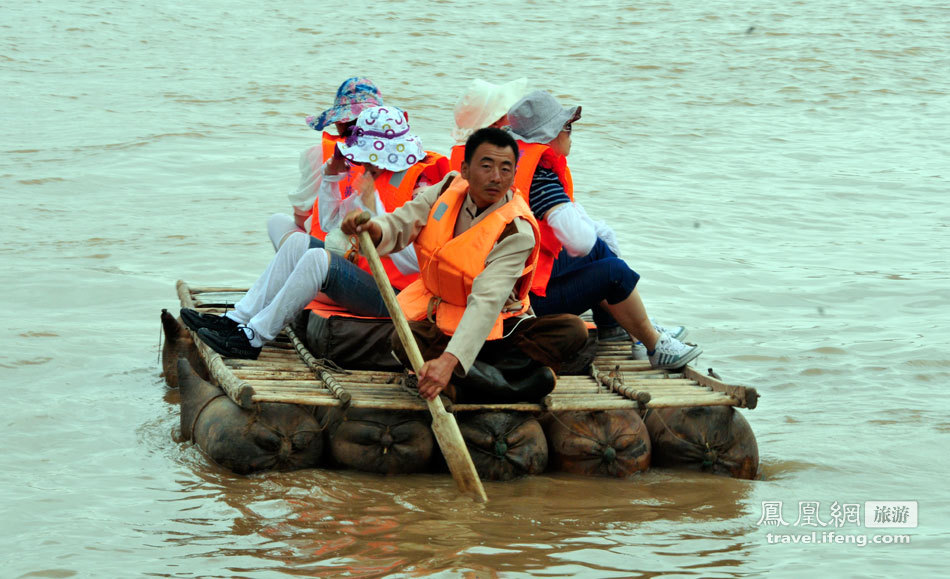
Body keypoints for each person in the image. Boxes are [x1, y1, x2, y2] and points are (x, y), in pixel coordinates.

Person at [342, 127, 590, 404]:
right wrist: (372, 229)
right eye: (486, 166)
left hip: (497, 329)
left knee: (573, 330)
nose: (496, 177)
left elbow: (487, 302)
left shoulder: (517, 230)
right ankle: (508, 385)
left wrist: (449, 361)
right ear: (465, 169)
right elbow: (401, 222)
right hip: (440, 318)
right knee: (404, 340)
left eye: (506, 169)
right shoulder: (447, 187)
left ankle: (462, 382)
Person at [182, 106, 447, 359]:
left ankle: (253, 337)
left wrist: (375, 219)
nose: (360, 162)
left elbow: (418, 261)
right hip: (370, 278)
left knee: (318, 260)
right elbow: (331, 222)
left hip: (399, 295)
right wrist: (330, 176)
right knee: (298, 242)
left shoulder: (422, 188)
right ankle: (236, 320)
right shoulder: (375, 178)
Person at [506, 90, 702, 370]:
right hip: (525, 305)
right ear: (549, 134)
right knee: (612, 270)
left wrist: (598, 236)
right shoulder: (540, 180)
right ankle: (652, 344)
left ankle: (621, 330)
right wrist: (598, 236)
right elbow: (580, 242)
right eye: (568, 127)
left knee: (602, 246)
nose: (571, 134)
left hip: (516, 283)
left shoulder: (516, 165)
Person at [266, 77, 382, 251]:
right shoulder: (396, 163)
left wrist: (330, 175)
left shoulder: (319, 153)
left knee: (277, 222)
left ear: (338, 121)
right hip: (373, 258)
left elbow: (301, 217)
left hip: (334, 255)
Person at [447, 78, 528, 172]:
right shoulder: (488, 161)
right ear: (495, 123)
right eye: (511, 113)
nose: (516, 117)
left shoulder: (465, 152)